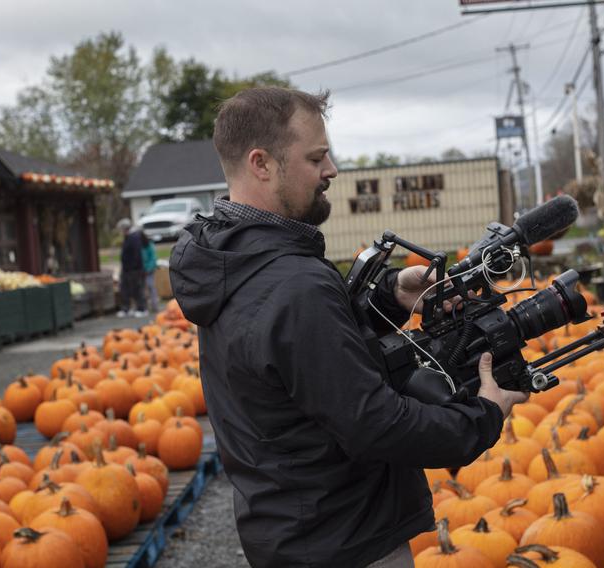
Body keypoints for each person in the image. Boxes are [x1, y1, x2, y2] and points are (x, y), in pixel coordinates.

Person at [169, 87, 528, 568]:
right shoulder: (292, 284)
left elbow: (299, 358)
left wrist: (391, 295)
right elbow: (375, 424)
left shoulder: (232, 259)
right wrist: (483, 416)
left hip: (291, 532)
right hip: (344, 542)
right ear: (262, 164)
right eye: (316, 157)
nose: (331, 170)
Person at [116, 218, 147, 318]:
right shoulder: (127, 237)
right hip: (126, 269)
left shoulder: (134, 237)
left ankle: (141, 309)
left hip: (134, 269)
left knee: (137, 289)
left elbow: (136, 254)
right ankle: (126, 309)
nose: (120, 232)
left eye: (121, 229)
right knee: (125, 289)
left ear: (125, 228)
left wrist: (133, 267)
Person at [141, 233, 161, 313]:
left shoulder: (149, 245)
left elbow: (153, 258)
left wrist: (148, 269)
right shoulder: (139, 246)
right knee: (143, 289)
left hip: (149, 269)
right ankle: (145, 305)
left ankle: (154, 305)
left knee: (150, 286)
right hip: (141, 270)